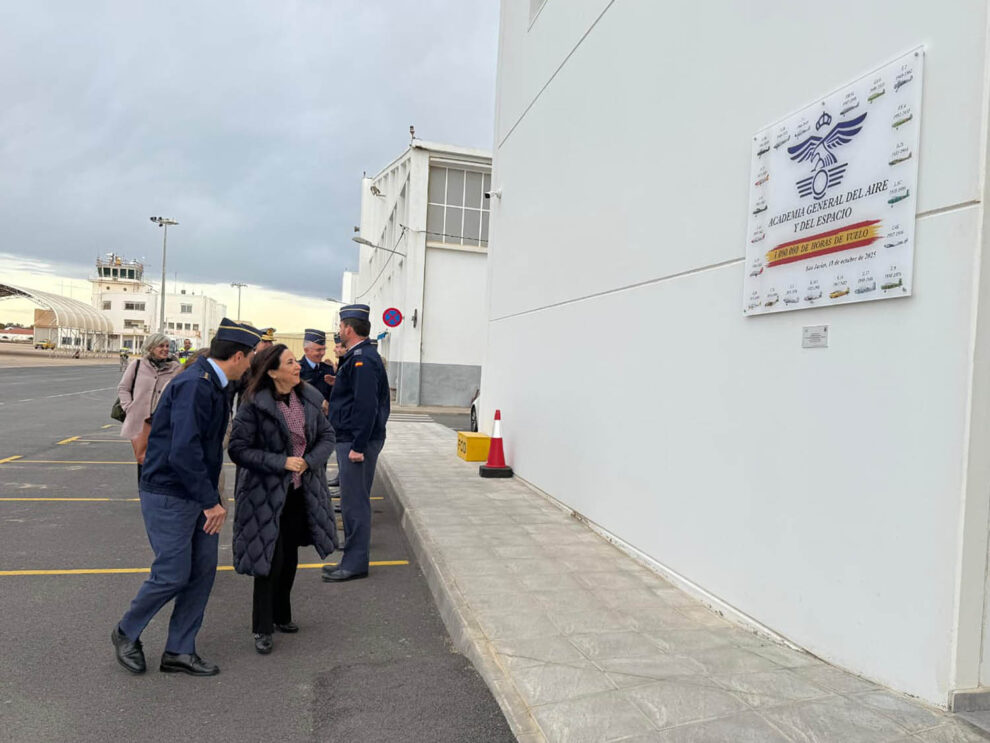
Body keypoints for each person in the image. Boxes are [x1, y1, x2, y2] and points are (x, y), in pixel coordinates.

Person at [111, 319, 260, 677]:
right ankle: (126, 631)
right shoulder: (196, 385)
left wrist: (209, 498)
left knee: (202, 573)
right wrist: (211, 501)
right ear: (238, 356)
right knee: (173, 574)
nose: (252, 364)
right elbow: (183, 451)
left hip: (197, 492)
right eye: (252, 356)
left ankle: (179, 649)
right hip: (171, 492)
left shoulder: (215, 383)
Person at [228, 344, 338, 654]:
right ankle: (262, 627)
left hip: (300, 492)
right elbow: (238, 450)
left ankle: (281, 614)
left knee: (289, 556)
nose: (297, 366)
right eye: (290, 362)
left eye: (295, 361)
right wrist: (282, 462)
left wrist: (309, 461)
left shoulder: (308, 398)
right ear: (273, 372)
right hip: (263, 495)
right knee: (269, 560)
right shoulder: (254, 404)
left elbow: (327, 436)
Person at [322, 304, 390, 582]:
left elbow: (366, 406)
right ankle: (352, 554)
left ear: (349, 329)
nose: (339, 331)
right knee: (352, 502)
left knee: (354, 504)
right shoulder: (358, 357)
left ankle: (355, 563)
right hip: (351, 437)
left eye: (340, 326)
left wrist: (358, 446)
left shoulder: (363, 359)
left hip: (355, 440)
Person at [117, 333, 182, 485]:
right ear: (151, 347)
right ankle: (144, 491)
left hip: (164, 423)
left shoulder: (176, 368)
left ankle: (157, 492)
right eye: (161, 346)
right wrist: (129, 408)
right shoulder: (137, 365)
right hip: (140, 422)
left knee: (161, 460)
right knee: (142, 459)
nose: (165, 349)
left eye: (167, 346)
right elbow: (123, 388)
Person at [298, 329, 334, 415]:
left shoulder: (328, 369)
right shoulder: (296, 370)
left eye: (324, 349)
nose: (323, 353)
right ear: (306, 350)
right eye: (318, 350)